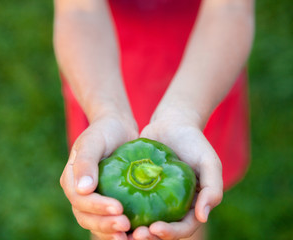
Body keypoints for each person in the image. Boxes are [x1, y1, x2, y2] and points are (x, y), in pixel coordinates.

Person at [54, 0, 254, 239]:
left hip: (204, 73)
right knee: (109, 218)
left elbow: (229, 8)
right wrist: (106, 112)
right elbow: (80, 10)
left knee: (191, 203)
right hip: (101, 72)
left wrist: (185, 115)